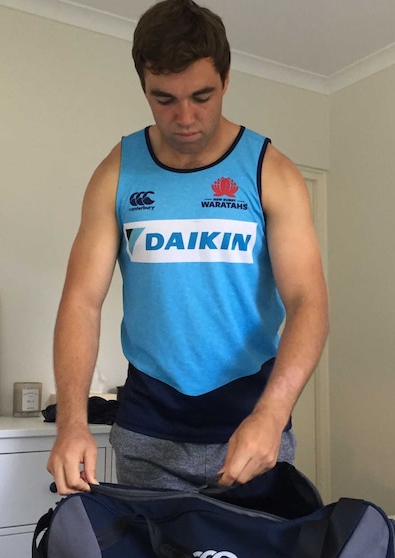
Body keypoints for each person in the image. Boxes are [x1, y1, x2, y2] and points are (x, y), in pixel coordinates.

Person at [47, 0, 328, 494]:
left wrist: (273, 412)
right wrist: (71, 424)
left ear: (226, 80)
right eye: (164, 99)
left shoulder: (270, 172)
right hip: (148, 426)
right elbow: (81, 302)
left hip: (250, 425)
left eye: (202, 96)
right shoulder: (117, 171)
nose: (185, 117)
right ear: (143, 87)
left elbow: (309, 303)